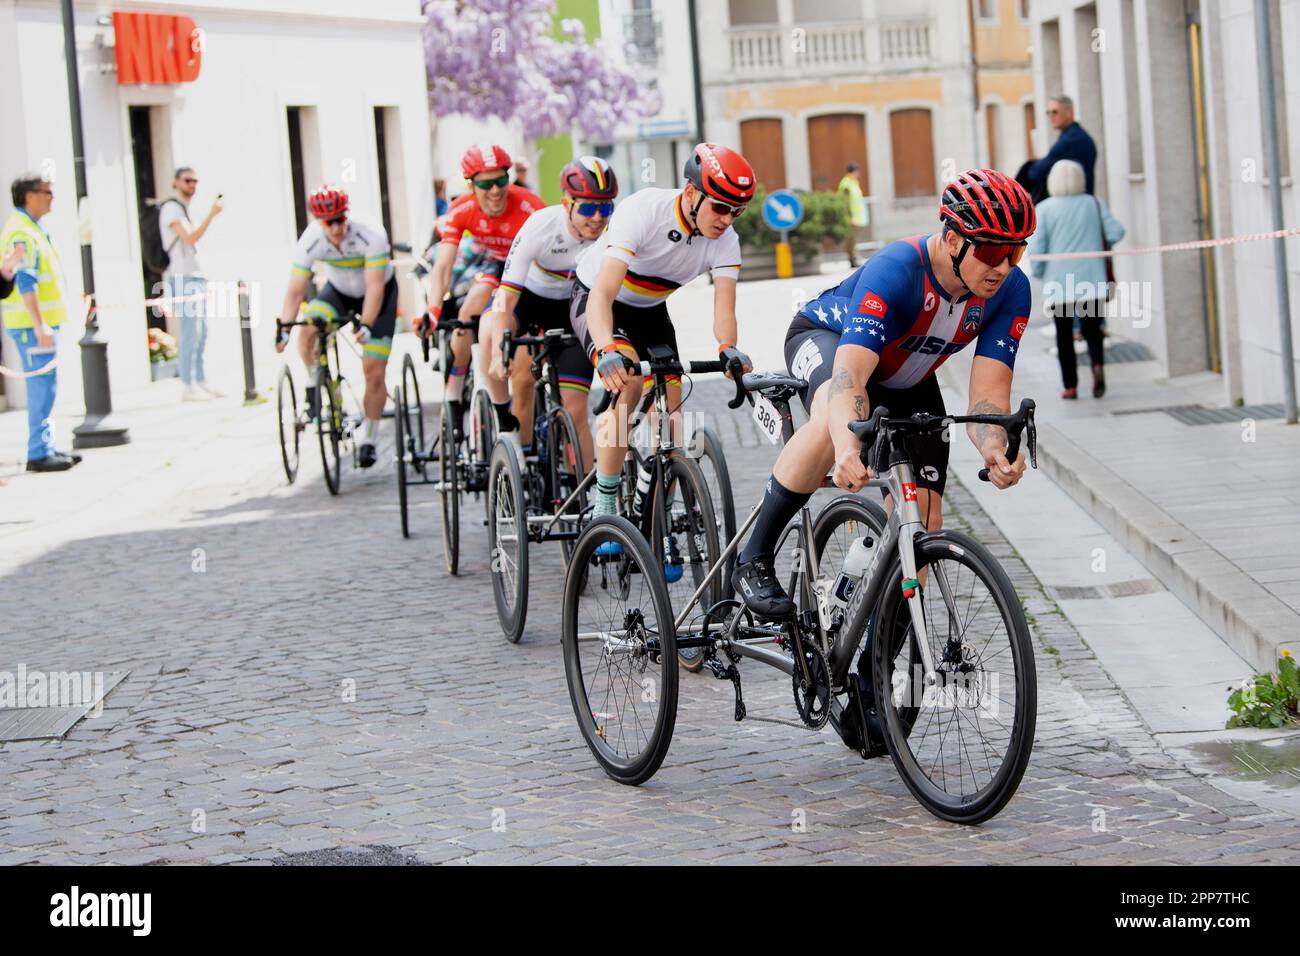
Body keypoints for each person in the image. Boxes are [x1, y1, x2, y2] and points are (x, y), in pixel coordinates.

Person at [731, 168, 1036, 620]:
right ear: (953, 240)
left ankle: (876, 669)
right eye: (992, 251)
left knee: (921, 529)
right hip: (829, 341)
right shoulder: (897, 269)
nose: (1004, 266)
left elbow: (988, 395)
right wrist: (847, 444)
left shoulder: (1011, 291)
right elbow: (849, 377)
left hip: (905, 377)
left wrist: (995, 449)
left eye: (1016, 251)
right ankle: (753, 557)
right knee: (828, 423)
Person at [573, 142, 754, 551]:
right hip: (599, 297)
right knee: (630, 383)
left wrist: (728, 347)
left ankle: (657, 511)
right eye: (720, 207)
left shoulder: (725, 241)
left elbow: (725, 309)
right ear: (691, 194)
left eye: (736, 211)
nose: (727, 219)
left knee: (672, 412)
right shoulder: (644, 212)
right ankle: (605, 505)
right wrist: (606, 349)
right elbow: (602, 296)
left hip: (650, 308)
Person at [483, 156, 618, 471]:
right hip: (529, 301)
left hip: (574, 309)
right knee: (500, 347)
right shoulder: (541, 226)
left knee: (574, 408)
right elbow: (506, 295)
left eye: (606, 207)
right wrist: (500, 349)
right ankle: (514, 437)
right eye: (586, 207)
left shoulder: (615, 234)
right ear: (566, 203)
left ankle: (584, 497)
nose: (597, 217)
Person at [418, 144, 545, 440]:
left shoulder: (530, 205)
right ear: (470, 185)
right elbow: (443, 267)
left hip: (531, 271)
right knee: (467, 312)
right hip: (496, 264)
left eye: (501, 181)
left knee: (522, 354)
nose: (495, 191)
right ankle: (457, 379)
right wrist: (434, 308)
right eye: (485, 184)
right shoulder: (461, 209)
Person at [276, 184, 396, 468]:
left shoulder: (371, 234)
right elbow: (295, 290)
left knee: (374, 369)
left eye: (341, 218)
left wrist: (366, 325)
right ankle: (316, 382)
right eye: (329, 222)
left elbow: (374, 287)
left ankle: (369, 438)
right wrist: (283, 328)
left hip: (378, 294)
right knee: (306, 330)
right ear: (319, 221)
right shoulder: (311, 239)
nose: (336, 227)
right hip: (339, 292)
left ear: (348, 215)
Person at [1, 174, 81, 472]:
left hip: (38, 323)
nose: (51, 197)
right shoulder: (21, 232)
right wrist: (39, 324)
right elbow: (25, 280)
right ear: (29, 196)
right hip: (31, 325)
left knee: (47, 387)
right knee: (41, 387)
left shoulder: (30, 229)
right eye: (46, 192)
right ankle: (38, 451)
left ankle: (44, 446)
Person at [1027, 159, 1125, 399]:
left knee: (1063, 335)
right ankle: (1097, 366)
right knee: (1093, 330)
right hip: (1091, 279)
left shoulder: (1045, 209)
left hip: (1059, 281)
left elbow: (1036, 248)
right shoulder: (1093, 203)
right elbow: (1116, 231)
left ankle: (1070, 385)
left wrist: (1040, 272)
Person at [159, 166, 224, 401]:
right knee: (190, 331)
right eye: (187, 180)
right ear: (176, 182)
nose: (192, 185)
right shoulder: (171, 209)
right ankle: (188, 385)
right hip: (182, 277)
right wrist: (211, 214)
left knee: (202, 330)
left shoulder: (187, 209)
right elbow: (190, 238)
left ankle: (201, 380)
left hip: (197, 276)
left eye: (195, 181)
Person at [1027, 95, 1097, 196]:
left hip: (1074, 203)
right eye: (1048, 112)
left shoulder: (1072, 139)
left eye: (1055, 112)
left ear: (1069, 112)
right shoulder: (1075, 135)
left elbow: (1035, 173)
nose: (1051, 116)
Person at [837, 163, 869, 267]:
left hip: (855, 217)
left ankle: (854, 259)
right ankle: (853, 259)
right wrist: (851, 217)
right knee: (851, 240)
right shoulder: (846, 184)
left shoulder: (853, 183)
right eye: (857, 172)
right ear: (853, 172)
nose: (858, 174)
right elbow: (845, 202)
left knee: (853, 239)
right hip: (850, 218)